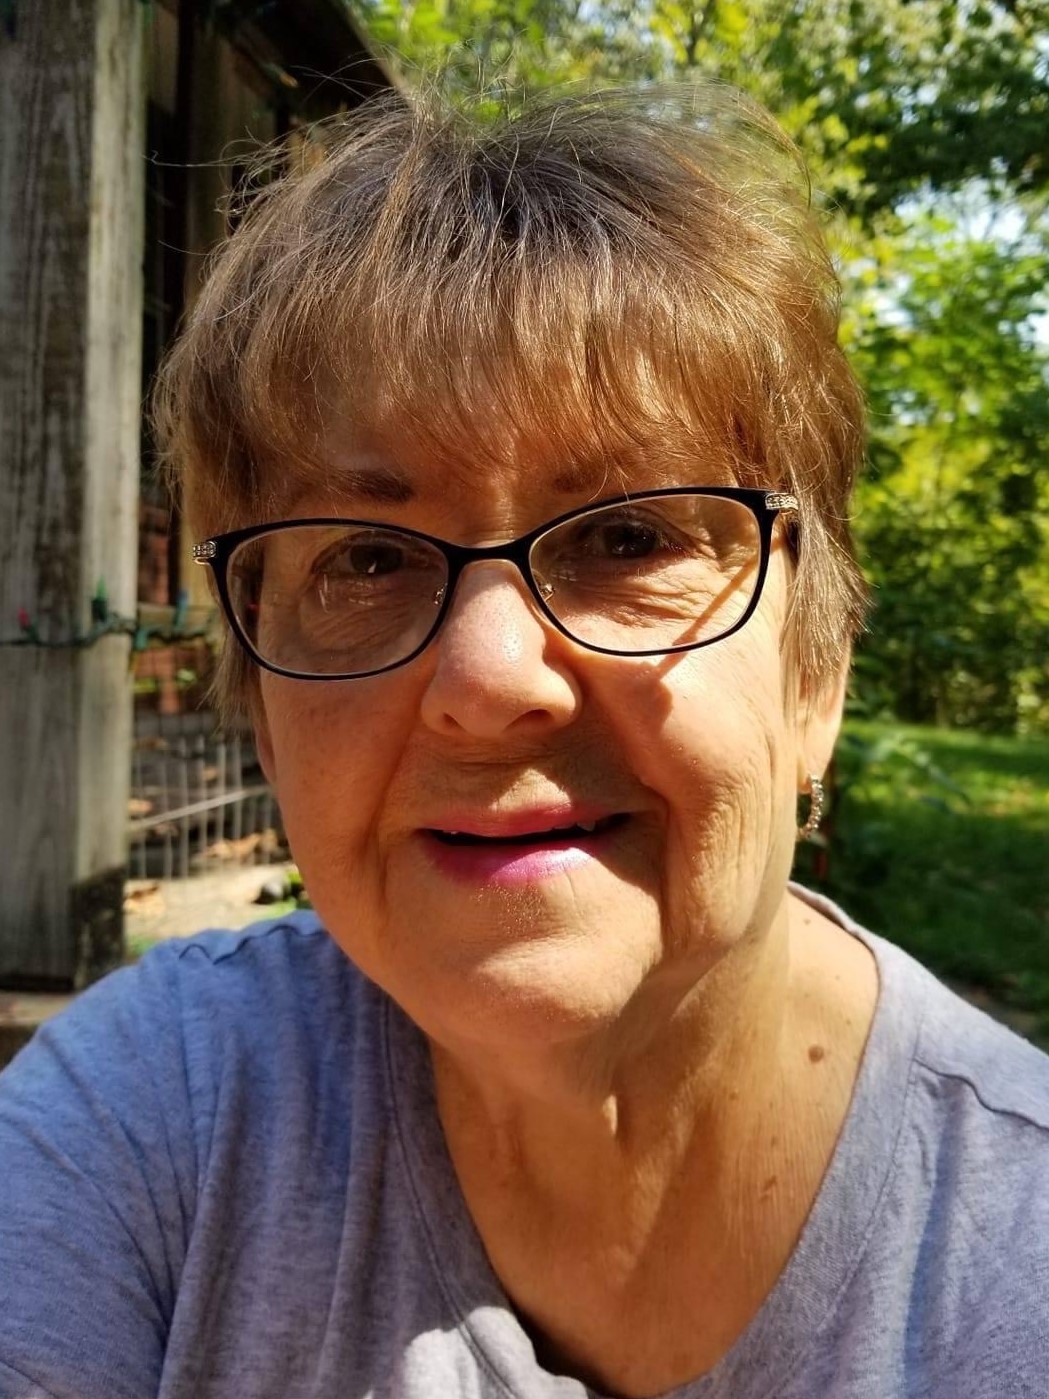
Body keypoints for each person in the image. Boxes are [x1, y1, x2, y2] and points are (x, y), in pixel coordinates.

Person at [1, 85, 1047, 1399]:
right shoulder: (150, 1118)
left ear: (814, 673)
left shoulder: (1016, 1267)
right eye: (365, 558)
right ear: (262, 703)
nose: (487, 681)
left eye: (628, 537)